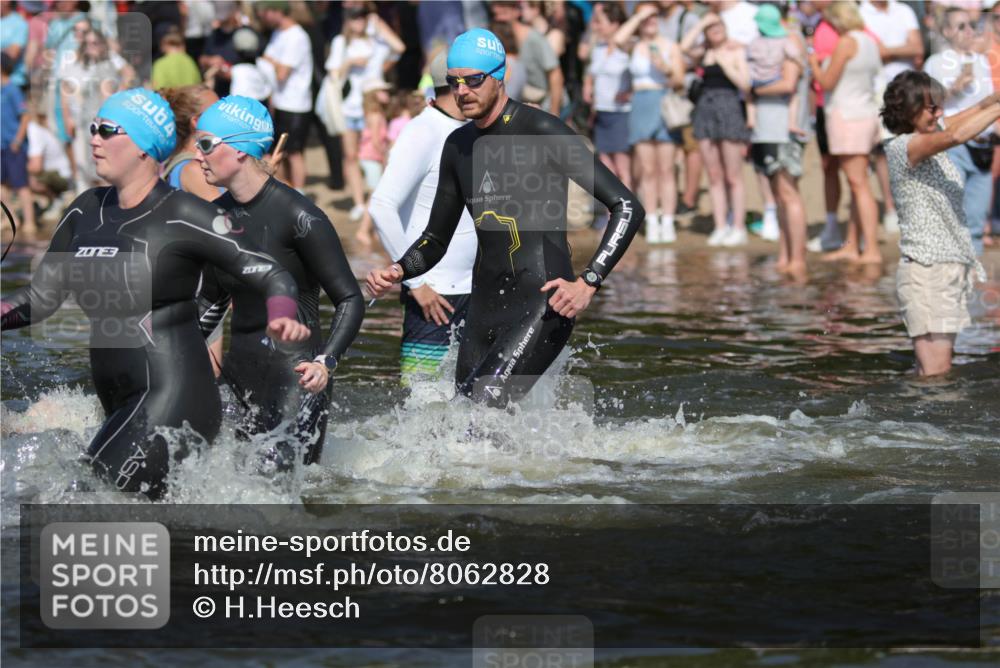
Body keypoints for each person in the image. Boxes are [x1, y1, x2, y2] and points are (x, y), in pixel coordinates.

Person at [0, 88, 307, 498]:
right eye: (93, 128)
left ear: (145, 147)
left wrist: (282, 313)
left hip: (173, 394)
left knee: (85, 498)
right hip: (119, 400)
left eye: (108, 129)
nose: (94, 138)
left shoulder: (184, 213)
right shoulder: (84, 211)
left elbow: (273, 274)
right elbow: (40, 299)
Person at [366, 28, 644, 408]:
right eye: (454, 82)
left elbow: (627, 207)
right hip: (484, 308)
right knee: (460, 418)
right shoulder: (458, 145)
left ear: (500, 76)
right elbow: (435, 239)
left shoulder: (542, 130)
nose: (462, 91)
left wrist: (589, 282)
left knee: (484, 412)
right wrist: (401, 269)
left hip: (545, 305)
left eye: (473, 81)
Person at [194, 95, 364, 467]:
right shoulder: (214, 217)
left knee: (279, 495)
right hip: (239, 377)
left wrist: (326, 362)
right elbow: (210, 301)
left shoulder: (301, 217)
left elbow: (350, 298)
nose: (197, 155)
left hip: (299, 377)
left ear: (239, 151)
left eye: (206, 144)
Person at [368, 52, 476, 376]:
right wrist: (417, 284)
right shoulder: (423, 131)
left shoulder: (473, 130)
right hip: (432, 296)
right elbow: (381, 205)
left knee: (475, 408)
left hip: (475, 292)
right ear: (460, 84)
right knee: (421, 405)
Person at [880, 70, 994, 375]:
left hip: (946, 271)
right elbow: (957, 135)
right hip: (928, 271)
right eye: (933, 108)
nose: (940, 113)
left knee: (933, 373)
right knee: (936, 374)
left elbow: (979, 109)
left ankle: (912, 421)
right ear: (911, 109)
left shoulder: (927, 134)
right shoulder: (904, 147)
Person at [809, 0, 883, 264]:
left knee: (858, 184)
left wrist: (814, 63)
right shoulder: (869, 41)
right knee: (858, 184)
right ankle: (852, 246)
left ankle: (871, 249)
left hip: (848, 117)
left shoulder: (847, 42)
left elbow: (826, 81)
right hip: (863, 113)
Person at [325, 2, 406, 224]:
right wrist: (349, 62)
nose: (358, 20)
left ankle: (378, 201)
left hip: (372, 106)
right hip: (349, 107)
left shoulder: (378, 41)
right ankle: (360, 203)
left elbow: (399, 47)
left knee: (378, 152)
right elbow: (333, 74)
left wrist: (380, 24)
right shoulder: (341, 42)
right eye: (353, 17)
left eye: (362, 16)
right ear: (347, 20)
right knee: (350, 156)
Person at [924, 6, 995, 255]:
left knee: (975, 219)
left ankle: (972, 282)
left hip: (984, 146)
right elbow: (927, 105)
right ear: (946, 31)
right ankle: (948, 273)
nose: (968, 31)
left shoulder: (981, 60)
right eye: (961, 26)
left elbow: (990, 101)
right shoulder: (936, 61)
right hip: (954, 146)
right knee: (952, 214)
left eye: (970, 25)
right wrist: (954, 87)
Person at [614, 2, 685, 244]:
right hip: (641, 103)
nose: (650, 21)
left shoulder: (670, 46)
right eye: (646, 18)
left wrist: (663, 66)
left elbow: (679, 80)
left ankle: (668, 220)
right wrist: (639, 16)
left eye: (654, 16)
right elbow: (619, 39)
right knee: (647, 169)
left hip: (663, 101)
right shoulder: (636, 46)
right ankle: (652, 220)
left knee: (666, 169)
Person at [681, 12, 752, 247]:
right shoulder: (704, 52)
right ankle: (721, 225)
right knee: (713, 174)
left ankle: (738, 226)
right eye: (710, 28)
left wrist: (725, 64)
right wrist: (702, 20)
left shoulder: (735, 50)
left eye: (718, 26)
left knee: (733, 175)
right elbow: (683, 47)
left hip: (728, 108)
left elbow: (745, 83)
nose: (715, 30)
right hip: (705, 109)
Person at [859, 0, 923, 236]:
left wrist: (888, 51)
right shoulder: (861, 12)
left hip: (908, 92)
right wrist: (900, 48)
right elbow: (868, 50)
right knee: (883, 152)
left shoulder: (904, 10)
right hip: (876, 90)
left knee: (911, 148)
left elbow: (917, 47)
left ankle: (912, 206)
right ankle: (890, 208)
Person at [257, 0, 314, 192]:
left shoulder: (297, 36)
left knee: (294, 152)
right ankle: (286, 190)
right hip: (280, 101)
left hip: (296, 104)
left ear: (277, 11)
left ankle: (300, 193)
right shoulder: (277, 33)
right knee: (277, 153)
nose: (262, 17)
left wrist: (271, 61)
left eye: (265, 12)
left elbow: (282, 73)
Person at [1, 52, 35, 234]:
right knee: (1, 186)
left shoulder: (12, 89)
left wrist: (17, 140)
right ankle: (11, 218)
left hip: (14, 145)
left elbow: (25, 116)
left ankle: (30, 221)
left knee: (21, 184)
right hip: (1, 145)